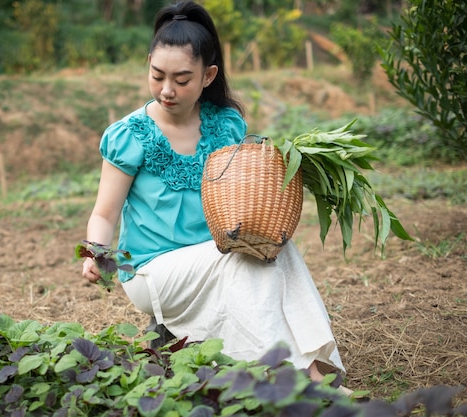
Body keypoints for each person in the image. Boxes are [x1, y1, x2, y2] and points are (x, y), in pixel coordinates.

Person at [82, 0, 346, 386]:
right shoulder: (130, 134)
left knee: (276, 248)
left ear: (208, 76)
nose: (167, 90)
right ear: (148, 65)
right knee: (240, 260)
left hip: (215, 258)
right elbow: (104, 214)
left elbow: (243, 192)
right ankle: (293, 379)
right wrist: (95, 251)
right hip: (151, 268)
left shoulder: (225, 125)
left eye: (182, 79)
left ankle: (309, 368)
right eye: (157, 76)